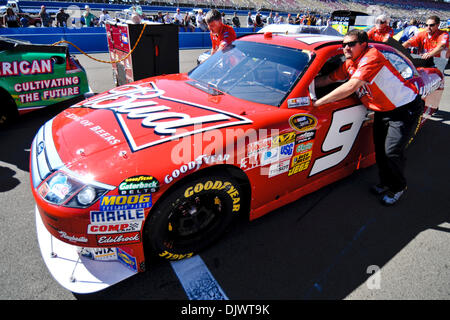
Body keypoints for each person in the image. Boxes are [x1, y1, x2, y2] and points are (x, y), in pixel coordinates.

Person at [313, 29, 424, 206]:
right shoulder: (350, 63)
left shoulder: (371, 56)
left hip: (404, 108)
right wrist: (304, 85)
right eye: (344, 44)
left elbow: (351, 86)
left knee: (391, 152)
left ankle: (398, 187)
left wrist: (318, 103)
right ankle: (385, 182)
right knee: (380, 151)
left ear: (363, 45)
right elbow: (328, 79)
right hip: (382, 110)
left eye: (351, 44)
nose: (346, 48)